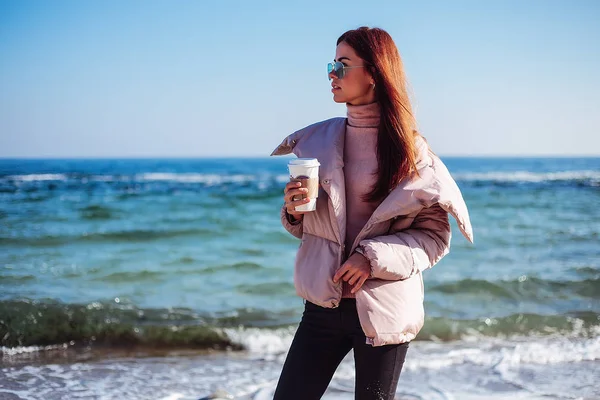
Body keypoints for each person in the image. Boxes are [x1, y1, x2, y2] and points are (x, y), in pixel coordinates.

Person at [270, 26, 474, 400]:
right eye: (332, 64)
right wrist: (294, 211)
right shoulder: (316, 141)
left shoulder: (413, 154)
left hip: (385, 310)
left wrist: (371, 258)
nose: (332, 74)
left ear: (376, 72)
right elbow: (313, 228)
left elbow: (433, 239)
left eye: (343, 65)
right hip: (322, 305)